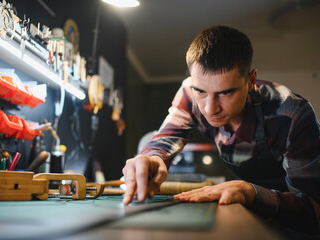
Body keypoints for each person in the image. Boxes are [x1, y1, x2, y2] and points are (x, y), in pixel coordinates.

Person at [122, 25, 320, 235]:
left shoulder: (291, 114)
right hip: (250, 217)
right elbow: (166, 138)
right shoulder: (189, 91)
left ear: (251, 80)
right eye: (200, 91)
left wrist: (250, 192)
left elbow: (313, 211)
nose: (210, 108)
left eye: (225, 93)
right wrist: (153, 158)